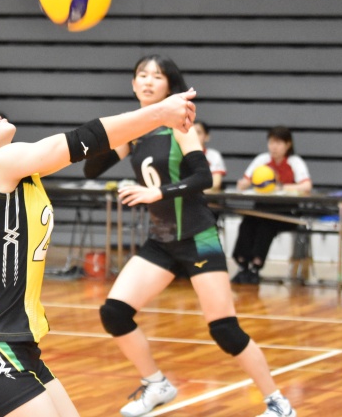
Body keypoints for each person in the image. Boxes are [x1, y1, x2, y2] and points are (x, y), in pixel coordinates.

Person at [0, 81, 196, 416]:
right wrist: (159, 113)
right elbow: (81, 140)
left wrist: (155, 117)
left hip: (21, 350)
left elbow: (90, 144)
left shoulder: (15, 171)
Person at [83, 55, 296, 417]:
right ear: (133, 84)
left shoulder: (180, 124)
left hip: (198, 237)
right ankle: (157, 384)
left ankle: (278, 403)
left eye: (157, 76)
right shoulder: (135, 131)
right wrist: (113, 131)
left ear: (169, 85)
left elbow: (203, 178)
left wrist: (157, 193)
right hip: (162, 241)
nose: (148, 81)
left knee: (224, 329)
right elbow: (91, 169)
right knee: (114, 313)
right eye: (142, 75)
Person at [231, 126, 312, 284]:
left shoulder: (295, 162)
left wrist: (281, 187)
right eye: (271, 142)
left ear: (288, 144)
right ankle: (242, 263)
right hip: (261, 207)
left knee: (266, 225)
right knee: (247, 222)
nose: (274, 147)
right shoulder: (262, 160)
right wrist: (244, 184)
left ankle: (256, 265)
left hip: (286, 211)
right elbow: (244, 182)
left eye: (278, 143)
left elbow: (306, 186)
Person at [193, 120, 226, 192]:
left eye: (198, 132)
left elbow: (216, 184)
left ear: (207, 137)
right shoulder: (178, 154)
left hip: (207, 197)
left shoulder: (214, 156)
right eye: (191, 133)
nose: (194, 136)